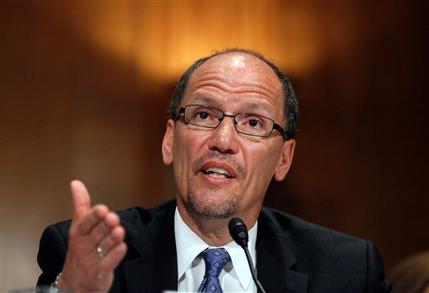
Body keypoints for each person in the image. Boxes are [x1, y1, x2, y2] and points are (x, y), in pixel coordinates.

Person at [37, 48, 391, 292]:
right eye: (204, 115)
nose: (223, 140)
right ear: (169, 140)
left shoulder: (346, 271)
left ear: (284, 159)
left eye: (253, 122)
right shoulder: (88, 255)